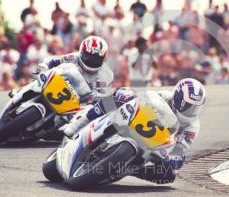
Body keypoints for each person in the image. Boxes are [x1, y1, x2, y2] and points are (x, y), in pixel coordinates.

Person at [60, 78, 206, 184]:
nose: (191, 111)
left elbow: (180, 149)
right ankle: (80, 122)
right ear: (178, 97)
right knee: (117, 96)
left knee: (169, 175)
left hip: (159, 145)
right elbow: (144, 98)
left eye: (195, 108)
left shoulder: (193, 125)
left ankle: (130, 169)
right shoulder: (165, 96)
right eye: (188, 106)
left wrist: (173, 159)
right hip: (138, 122)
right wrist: (128, 96)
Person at [39, 35, 113, 98]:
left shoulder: (105, 75)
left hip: (79, 103)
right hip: (61, 87)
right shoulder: (74, 57)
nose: (91, 60)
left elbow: (100, 98)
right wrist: (44, 67)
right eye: (87, 56)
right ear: (81, 52)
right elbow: (53, 60)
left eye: (95, 59)